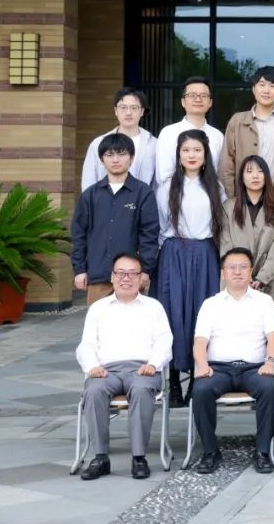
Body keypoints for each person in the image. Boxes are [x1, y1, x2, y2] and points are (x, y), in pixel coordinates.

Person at [75, 253, 173, 481]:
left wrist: (153, 364)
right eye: (120, 273)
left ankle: (139, 457)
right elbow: (86, 345)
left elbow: (164, 341)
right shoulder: (98, 308)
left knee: (141, 389)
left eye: (132, 273)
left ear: (141, 278)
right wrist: (92, 366)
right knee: (94, 391)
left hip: (142, 370)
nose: (126, 278)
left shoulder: (153, 307)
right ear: (112, 277)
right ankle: (100, 457)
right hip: (106, 370)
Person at [189, 247, 274, 475]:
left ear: (251, 272)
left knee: (270, 388)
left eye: (243, 267)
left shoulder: (264, 301)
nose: (237, 272)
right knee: (200, 390)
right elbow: (200, 341)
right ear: (223, 273)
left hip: (254, 369)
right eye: (232, 268)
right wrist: (202, 365)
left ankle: (262, 451)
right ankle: (210, 452)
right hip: (218, 369)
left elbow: (273, 336)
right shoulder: (211, 304)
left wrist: (270, 361)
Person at [155, 129, 226, 407]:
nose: (191, 155)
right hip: (173, 253)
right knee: (173, 314)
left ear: (206, 155)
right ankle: (174, 382)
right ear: (178, 155)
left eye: (197, 150)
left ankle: (199, 380)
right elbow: (161, 226)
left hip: (206, 254)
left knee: (202, 314)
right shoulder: (166, 187)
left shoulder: (216, 188)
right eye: (186, 150)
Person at [72, 133, 160, 306]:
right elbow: (79, 234)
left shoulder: (143, 193)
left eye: (121, 154)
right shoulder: (90, 195)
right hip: (98, 274)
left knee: (131, 321)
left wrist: (145, 269)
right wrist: (79, 269)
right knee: (99, 321)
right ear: (101, 159)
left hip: (131, 276)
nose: (115, 159)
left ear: (131, 158)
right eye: (109, 154)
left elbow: (150, 235)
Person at [219, 65, 274, 219]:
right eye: (262, 85)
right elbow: (226, 164)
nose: (266, 90)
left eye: (272, 86)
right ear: (254, 89)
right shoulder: (238, 121)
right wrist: (233, 199)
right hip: (243, 200)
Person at [219, 155, 274, 304]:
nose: (255, 176)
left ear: (266, 176)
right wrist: (243, 274)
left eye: (260, 171)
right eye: (249, 171)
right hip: (235, 276)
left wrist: (261, 278)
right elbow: (225, 245)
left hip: (266, 280)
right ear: (242, 177)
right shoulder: (228, 208)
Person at [81, 87, 157, 191]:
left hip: (143, 200)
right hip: (105, 200)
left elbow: (157, 184)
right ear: (116, 110)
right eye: (123, 107)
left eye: (134, 108)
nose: (128, 112)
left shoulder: (154, 144)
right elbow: (88, 181)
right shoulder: (98, 143)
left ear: (142, 111)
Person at [155, 77, 225, 186]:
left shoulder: (218, 136)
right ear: (183, 101)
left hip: (211, 194)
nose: (198, 99)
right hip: (175, 194)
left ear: (210, 102)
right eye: (192, 95)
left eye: (203, 96)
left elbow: (220, 173)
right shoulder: (168, 133)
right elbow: (164, 176)